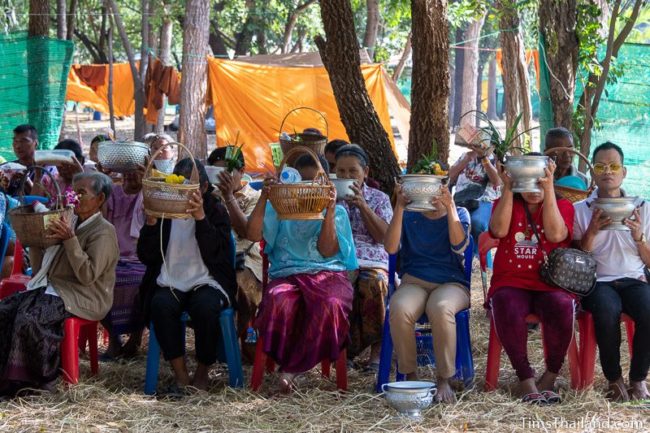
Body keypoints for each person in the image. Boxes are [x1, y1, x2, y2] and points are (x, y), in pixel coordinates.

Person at [0, 172, 119, 396]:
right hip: (52, 288)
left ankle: (36, 381)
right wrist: (35, 239)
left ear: (100, 199)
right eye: (73, 192)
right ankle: (5, 377)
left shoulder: (104, 232)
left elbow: (87, 275)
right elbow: (37, 271)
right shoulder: (67, 219)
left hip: (84, 296)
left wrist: (70, 239)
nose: (74, 197)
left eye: (82, 193)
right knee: (5, 310)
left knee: (30, 318)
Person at [246, 171, 357, 391]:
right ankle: (290, 365)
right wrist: (264, 197)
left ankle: (292, 369)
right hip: (287, 274)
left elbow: (326, 251)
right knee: (278, 300)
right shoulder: (279, 209)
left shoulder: (338, 212)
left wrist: (330, 209)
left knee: (331, 304)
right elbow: (251, 234)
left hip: (329, 274)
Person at [137, 158, 236, 392]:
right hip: (170, 278)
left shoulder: (215, 209)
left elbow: (216, 255)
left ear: (202, 188)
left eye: (189, 188)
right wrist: (151, 224)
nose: (182, 193)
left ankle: (202, 372)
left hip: (207, 279)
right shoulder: (163, 208)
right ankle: (181, 374)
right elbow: (146, 256)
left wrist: (201, 218)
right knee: (160, 305)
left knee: (206, 307)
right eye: (177, 187)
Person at [488, 156, 575, 404]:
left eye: (540, 181)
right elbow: (499, 231)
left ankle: (549, 378)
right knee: (505, 301)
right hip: (511, 282)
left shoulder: (563, 205)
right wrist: (507, 188)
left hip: (550, 283)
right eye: (528, 182)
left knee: (561, 305)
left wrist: (548, 192)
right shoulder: (507, 201)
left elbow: (557, 234)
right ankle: (525, 379)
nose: (533, 189)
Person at [574, 141, 650, 401]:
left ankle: (638, 379)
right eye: (600, 166)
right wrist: (592, 232)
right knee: (606, 310)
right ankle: (614, 379)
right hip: (598, 282)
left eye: (614, 165)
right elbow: (578, 258)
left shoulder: (642, 207)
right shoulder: (581, 210)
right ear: (593, 172)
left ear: (624, 172)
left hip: (634, 279)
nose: (608, 171)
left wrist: (639, 238)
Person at [385, 181, 471, 403]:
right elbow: (390, 248)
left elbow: (460, 246)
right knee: (399, 307)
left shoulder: (459, 212)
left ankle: (444, 378)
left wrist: (449, 207)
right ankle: (411, 376)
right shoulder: (409, 214)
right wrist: (400, 207)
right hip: (414, 281)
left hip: (452, 283)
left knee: (441, 308)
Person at [334, 144, 392, 370]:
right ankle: (343, 351)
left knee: (374, 284)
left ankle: (377, 351)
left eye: (352, 172)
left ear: (365, 172)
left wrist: (362, 206)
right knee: (340, 286)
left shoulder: (379, 198)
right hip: (338, 260)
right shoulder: (329, 197)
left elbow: (384, 238)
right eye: (340, 172)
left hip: (373, 260)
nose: (346, 177)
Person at [208, 146, 263, 363]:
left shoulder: (255, 197)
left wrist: (229, 197)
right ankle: (216, 342)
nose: (222, 179)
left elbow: (246, 232)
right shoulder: (208, 196)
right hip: (213, 256)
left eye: (227, 172)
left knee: (241, 279)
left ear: (241, 171)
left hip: (246, 257)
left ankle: (239, 340)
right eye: (216, 172)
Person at [101, 167, 147, 359]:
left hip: (141, 259)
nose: (129, 173)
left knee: (139, 283)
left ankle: (135, 338)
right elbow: (101, 219)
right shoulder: (113, 192)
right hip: (113, 255)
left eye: (136, 170)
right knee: (98, 279)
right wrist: (102, 183)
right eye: (127, 168)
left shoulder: (149, 195)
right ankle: (113, 339)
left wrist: (148, 184)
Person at [448, 146, 501, 250]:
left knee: (477, 223)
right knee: (454, 224)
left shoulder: (495, 158)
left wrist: (484, 158)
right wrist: (465, 160)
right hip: (461, 200)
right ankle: (459, 258)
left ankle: (475, 259)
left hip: (485, 201)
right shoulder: (465, 156)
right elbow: (449, 177)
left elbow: (497, 182)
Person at [6, 125, 39, 195]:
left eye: (24, 141)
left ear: (35, 143)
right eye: (15, 141)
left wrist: (26, 181)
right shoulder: (7, 168)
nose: (18, 146)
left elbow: (46, 200)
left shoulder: (46, 169)